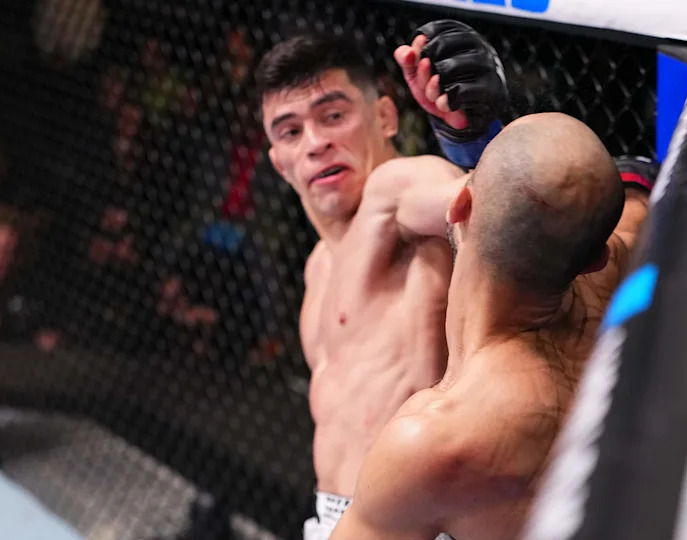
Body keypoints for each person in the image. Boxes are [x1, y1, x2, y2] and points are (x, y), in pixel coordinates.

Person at [329, 112, 655, 540]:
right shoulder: (612, 276)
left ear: (460, 205)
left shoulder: (434, 441)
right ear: (596, 256)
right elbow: (638, 190)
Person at [253, 21, 511, 539]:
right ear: (279, 161)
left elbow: (489, 209)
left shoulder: (396, 194)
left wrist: (473, 141)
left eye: (333, 115)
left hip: (418, 523)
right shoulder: (318, 267)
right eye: (291, 130)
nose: (316, 143)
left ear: (385, 115)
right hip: (332, 518)